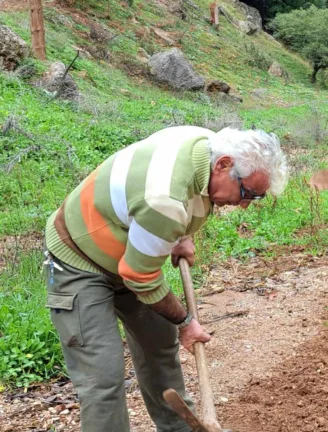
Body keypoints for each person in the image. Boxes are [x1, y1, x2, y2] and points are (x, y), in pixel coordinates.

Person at [43, 126, 288, 432]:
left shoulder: (203, 144)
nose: (244, 204)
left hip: (130, 248)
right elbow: (140, 275)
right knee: (103, 377)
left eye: (256, 197)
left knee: (159, 345)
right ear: (223, 164)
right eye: (246, 193)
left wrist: (180, 235)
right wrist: (186, 323)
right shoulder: (164, 200)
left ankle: (179, 429)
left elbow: (177, 202)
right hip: (79, 260)